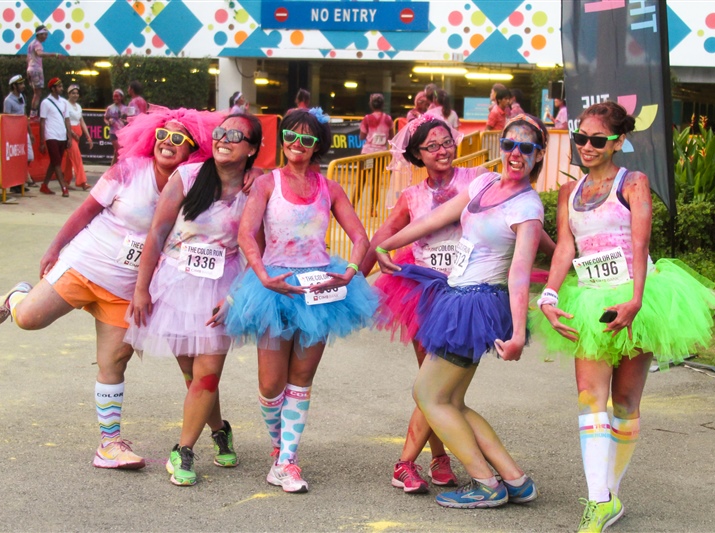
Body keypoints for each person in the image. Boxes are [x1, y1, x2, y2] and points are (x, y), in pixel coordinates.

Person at [0, 108, 221, 471]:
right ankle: (17, 298)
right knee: (29, 320)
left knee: (114, 363)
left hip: (126, 289)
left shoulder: (194, 186)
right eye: (162, 136)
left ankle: (109, 445)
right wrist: (54, 248)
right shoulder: (127, 172)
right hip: (84, 264)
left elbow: (234, 186)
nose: (167, 144)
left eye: (178, 139)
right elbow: (87, 210)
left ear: (193, 150)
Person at [533, 101, 715, 532]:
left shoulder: (632, 182)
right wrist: (547, 294)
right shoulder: (568, 193)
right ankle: (598, 501)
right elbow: (565, 247)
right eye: (580, 137)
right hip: (590, 299)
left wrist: (637, 300)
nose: (586, 146)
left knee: (624, 402)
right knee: (588, 397)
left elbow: (640, 245)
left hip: (640, 297)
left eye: (597, 140)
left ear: (619, 141)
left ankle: (609, 495)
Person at [375, 114, 549, 509]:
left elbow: (520, 272)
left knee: (427, 393)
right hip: (458, 297)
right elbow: (434, 219)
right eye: (509, 145)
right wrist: (386, 245)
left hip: (477, 303)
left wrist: (519, 333)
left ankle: (487, 484)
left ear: (539, 156)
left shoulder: (527, 205)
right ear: (499, 147)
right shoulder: (483, 182)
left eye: (527, 148)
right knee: (449, 400)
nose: (516, 153)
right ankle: (515, 480)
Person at [225, 108, 377, 493]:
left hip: (319, 287)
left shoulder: (331, 188)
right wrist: (262, 276)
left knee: (301, 379)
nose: (298, 145)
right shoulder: (265, 184)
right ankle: (279, 449)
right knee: (270, 382)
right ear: (284, 141)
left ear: (317, 147)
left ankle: (286, 460)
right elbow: (246, 235)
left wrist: (352, 270)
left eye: (307, 140)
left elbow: (361, 238)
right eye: (292, 137)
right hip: (272, 287)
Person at [125, 113, 261, 486]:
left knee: (207, 375)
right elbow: (157, 232)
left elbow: (257, 251)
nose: (224, 139)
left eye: (236, 135)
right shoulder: (187, 176)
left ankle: (183, 451)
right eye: (220, 132)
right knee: (192, 374)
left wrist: (235, 299)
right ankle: (220, 429)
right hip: (174, 285)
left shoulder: (257, 189)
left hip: (222, 289)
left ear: (251, 149)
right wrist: (141, 288)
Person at [361, 114, 476, 493]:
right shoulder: (411, 196)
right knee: (431, 381)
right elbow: (385, 234)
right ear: (417, 155)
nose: (442, 150)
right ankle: (437, 458)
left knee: (440, 387)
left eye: (447, 142)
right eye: (432, 146)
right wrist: (366, 265)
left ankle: (416, 461)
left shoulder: (474, 180)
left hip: (467, 296)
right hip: (424, 295)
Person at [354, 93, 394, 213]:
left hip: (368, 154)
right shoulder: (388, 119)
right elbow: (391, 136)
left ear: (371, 105)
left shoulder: (367, 119)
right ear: (383, 105)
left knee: (361, 180)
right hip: (380, 155)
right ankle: (373, 209)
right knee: (376, 182)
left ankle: (352, 206)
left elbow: (362, 136)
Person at [3, 74, 37, 194]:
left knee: (29, 157)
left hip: (23, 132)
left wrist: (30, 132)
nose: (23, 86)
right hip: (14, 134)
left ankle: (20, 179)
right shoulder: (8, 100)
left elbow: (24, 115)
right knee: (15, 158)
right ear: (14, 86)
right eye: (20, 84)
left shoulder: (21, 97)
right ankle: (16, 183)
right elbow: (7, 118)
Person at [39, 77, 72, 197]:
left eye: (61, 86)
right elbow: (42, 121)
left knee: (54, 162)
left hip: (62, 135)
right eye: (59, 87)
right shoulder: (46, 103)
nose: (61, 88)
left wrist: (69, 135)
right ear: (52, 89)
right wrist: (42, 141)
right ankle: (64, 187)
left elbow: (67, 120)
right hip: (51, 135)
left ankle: (44, 185)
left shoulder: (64, 102)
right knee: (57, 163)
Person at [61, 85, 93, 191]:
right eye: (73, 93)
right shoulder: (65, 105)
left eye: (77, 93)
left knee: (70, 160)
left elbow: (82, 121)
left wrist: (88, 136)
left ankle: (66, 181)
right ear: (68, 94)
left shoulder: (78, 106)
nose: (75, 95)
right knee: (77, 158)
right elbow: (64, 121)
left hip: (77, 135)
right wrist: (71, 133)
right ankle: (82, 182)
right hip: (69, 135)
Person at [27, 25, 58, 118]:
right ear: (39, 34)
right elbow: (39, 53)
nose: (46, 36)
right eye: (44, 34)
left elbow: (27, 58)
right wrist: (54, 55)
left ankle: (33, 113)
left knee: (35, 92)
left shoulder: (31, 44)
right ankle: (33, 114)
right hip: (36, 69)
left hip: (30, 68)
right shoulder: (37, 44)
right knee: (38, 93)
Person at [104, 89, 128, 166]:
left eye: (117, 96)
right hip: (113, 132)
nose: (115, 98)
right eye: (114, 96)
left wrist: (125, 121)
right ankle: (118, 168)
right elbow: (105, 118)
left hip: (123, 132)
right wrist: (108, 123)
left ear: (121, 97)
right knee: (118, 150)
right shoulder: (110, 108)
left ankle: (112, 169)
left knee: (116, 152)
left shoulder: (125, 108)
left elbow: (130, 119)